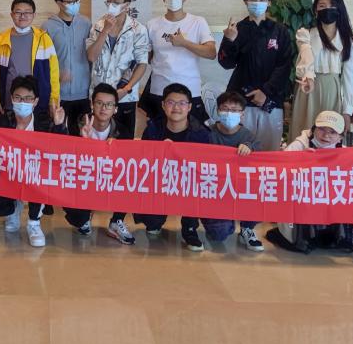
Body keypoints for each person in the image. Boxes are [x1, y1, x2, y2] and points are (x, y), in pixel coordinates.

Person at [0, 75, 67, 248]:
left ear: (36, 101)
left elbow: (61, 150)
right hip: (8, 176)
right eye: (18, 98)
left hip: (35, 176)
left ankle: (34, 223)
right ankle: (13, 207)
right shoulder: (2, 122)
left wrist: (59, 126)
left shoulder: (44, 123)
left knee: (40, 177)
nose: (23, 102)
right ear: (12, 99)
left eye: (28, 99)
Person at [217, 0, 294, 152]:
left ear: (269, 3)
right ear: (246, 2)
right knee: (241, 149)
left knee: (269, 151)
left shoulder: (280, 31)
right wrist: (229, 40)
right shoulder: (237, 29)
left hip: (270, 100)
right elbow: (226, 63)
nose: (257, 2)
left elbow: (284, 65)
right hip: (242, 100)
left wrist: (265, 91)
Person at [138, 83, 212, 250]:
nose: (176, 108)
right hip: (161, 181)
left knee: (196, 184)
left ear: (189, 107)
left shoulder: (202, 133)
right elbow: (143, 161)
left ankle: (190, 228)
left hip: (189, 183)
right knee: (151, 222)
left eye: (182, 103)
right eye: (171, 102)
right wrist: (160, 151)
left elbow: (206, 167)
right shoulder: (152, 129)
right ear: (163, 105)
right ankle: (156, 218)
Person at [269, 110, 353, 253]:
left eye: (332, 132)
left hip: (327, 200)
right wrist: (301, 160)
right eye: (322, 129)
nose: (326, 135)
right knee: (293, 239)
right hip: (299, 198)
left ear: (340, 137)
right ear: (314, 129)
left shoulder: (345, 152)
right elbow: (279, 170)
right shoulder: (299, 145)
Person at [140, 0, 214, 126]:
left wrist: (184, 43)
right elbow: (147, 57)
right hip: (159, 89)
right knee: (158, 133)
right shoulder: (152, 24)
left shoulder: (198, 22)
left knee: (192, 133)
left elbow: (211, 52)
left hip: (190, 89)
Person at [63, 83, 128, 240]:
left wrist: (117, 151)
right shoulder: (76, 126)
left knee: (129, 177)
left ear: (115, 109)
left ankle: (117, 221)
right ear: (92, 105)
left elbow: (128, 165)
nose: (104, 108)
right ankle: (85, 216)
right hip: (84, 178)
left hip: (109, 178)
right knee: (78, 218)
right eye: (99, 103)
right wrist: (82, 142)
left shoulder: (123, 132)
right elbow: (65, 161)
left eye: (109, 104)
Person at [86, 0, 150, 139]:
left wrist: (126, 89)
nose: (111, 5)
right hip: (100, 97)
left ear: (126, 5)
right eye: (108, 1)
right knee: (96, 138)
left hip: (124, 96)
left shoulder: (138, 29)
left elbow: (142, 63)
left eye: (116, 2)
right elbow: (91, 56)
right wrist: (105, 30)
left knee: (123, 141)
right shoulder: (98, 26)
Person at [201, 90, 264, 251]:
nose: (229, 113)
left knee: (260, 188)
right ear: (218, 111)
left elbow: (261, 162)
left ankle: (247, 228)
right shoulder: (206, 133)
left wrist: (250, 147)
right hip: (214, 190)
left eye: (234, 110)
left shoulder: (249, 137)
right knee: (219, 234)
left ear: (242, 114)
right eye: (225, 109)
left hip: (240, 189)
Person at [292, 0, 353, 137]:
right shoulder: (306, 35)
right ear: (315, 11)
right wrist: (308, 76)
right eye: (322, 6)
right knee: (305, 132)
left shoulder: (349, 41)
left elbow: (350, 77)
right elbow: (306, 57)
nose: (327, 9)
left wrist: (347, 111)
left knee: (329, 135)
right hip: (308, 88)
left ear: (339, 10)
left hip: (333, 90)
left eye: (332, 6)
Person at [0, 0, 60, 119]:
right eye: (18, 12)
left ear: (34, 15)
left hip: (38, 102)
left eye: (27, 12)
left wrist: (53, 100)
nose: (23, 16)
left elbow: (54, 72)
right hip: (10, 102)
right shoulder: (0, 40)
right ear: (11, 15)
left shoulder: (44, 39)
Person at [42, 0, 92, 136]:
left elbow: (93, 55)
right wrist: (56, 77)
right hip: (59, 93)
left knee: (83, 135)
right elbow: (43, 62)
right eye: (70, 1)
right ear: (59, 3)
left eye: (77, 0)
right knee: (60, 136)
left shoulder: (86, 23)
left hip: (84, 92)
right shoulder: (47, 27)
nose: (75, 4)